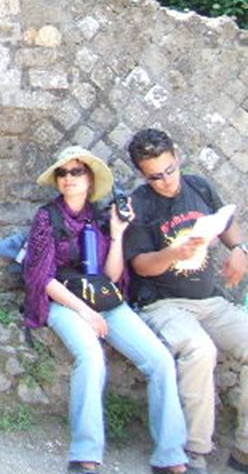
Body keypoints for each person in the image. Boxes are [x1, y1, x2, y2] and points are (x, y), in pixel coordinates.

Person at [23, 145, 189, 474]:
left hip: (104, 300)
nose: (69, 178)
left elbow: (112, 277)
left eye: (76, 171)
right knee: (91, 356)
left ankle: (170, 456)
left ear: (89, 178)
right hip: (63, 301)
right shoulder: (47, 217)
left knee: (160, 361)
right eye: (63, 173)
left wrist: (116, 235)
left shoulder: (100, 217)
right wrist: (84, 313)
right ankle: (85, 454)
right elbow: (41, 277)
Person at [124, 128, 248, 473]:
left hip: (210, 300)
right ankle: (194, 452)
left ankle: (244, 450)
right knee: (199, 350)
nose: (165, 180)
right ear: (142, 174)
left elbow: (225, 220)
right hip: (163, 303)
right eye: (155, 176)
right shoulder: (140, 204)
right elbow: (141, 266)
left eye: (169, 170)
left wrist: (239, 249)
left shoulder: (199, 186)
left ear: (177, 157)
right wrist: (174, 252)